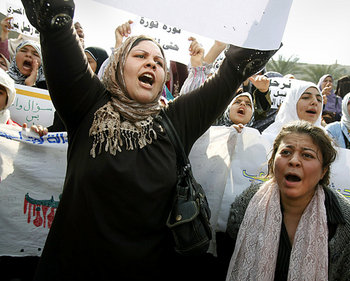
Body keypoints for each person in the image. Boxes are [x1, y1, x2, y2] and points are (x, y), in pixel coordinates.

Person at [20, 1, 279, 280]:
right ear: (118, 64)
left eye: (159, 62)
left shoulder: (176, 121)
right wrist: (55, 12)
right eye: (140, 55)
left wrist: (267, 19)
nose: (151, 64)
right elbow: (55, 26)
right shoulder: (88, 106)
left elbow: (234, 69)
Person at [226, 120, 350, 280]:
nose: (294, 161)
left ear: (323, 171)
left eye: (307, 155)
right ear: (273, 161)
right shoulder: (246, 205)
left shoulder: (349, 224)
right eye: (286, 152)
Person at [262, 80, 323, 144]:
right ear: (292, 103)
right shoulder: (269, 139)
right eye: (306, 97)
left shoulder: (327, 140)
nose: (315, 102)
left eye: (319, 99)